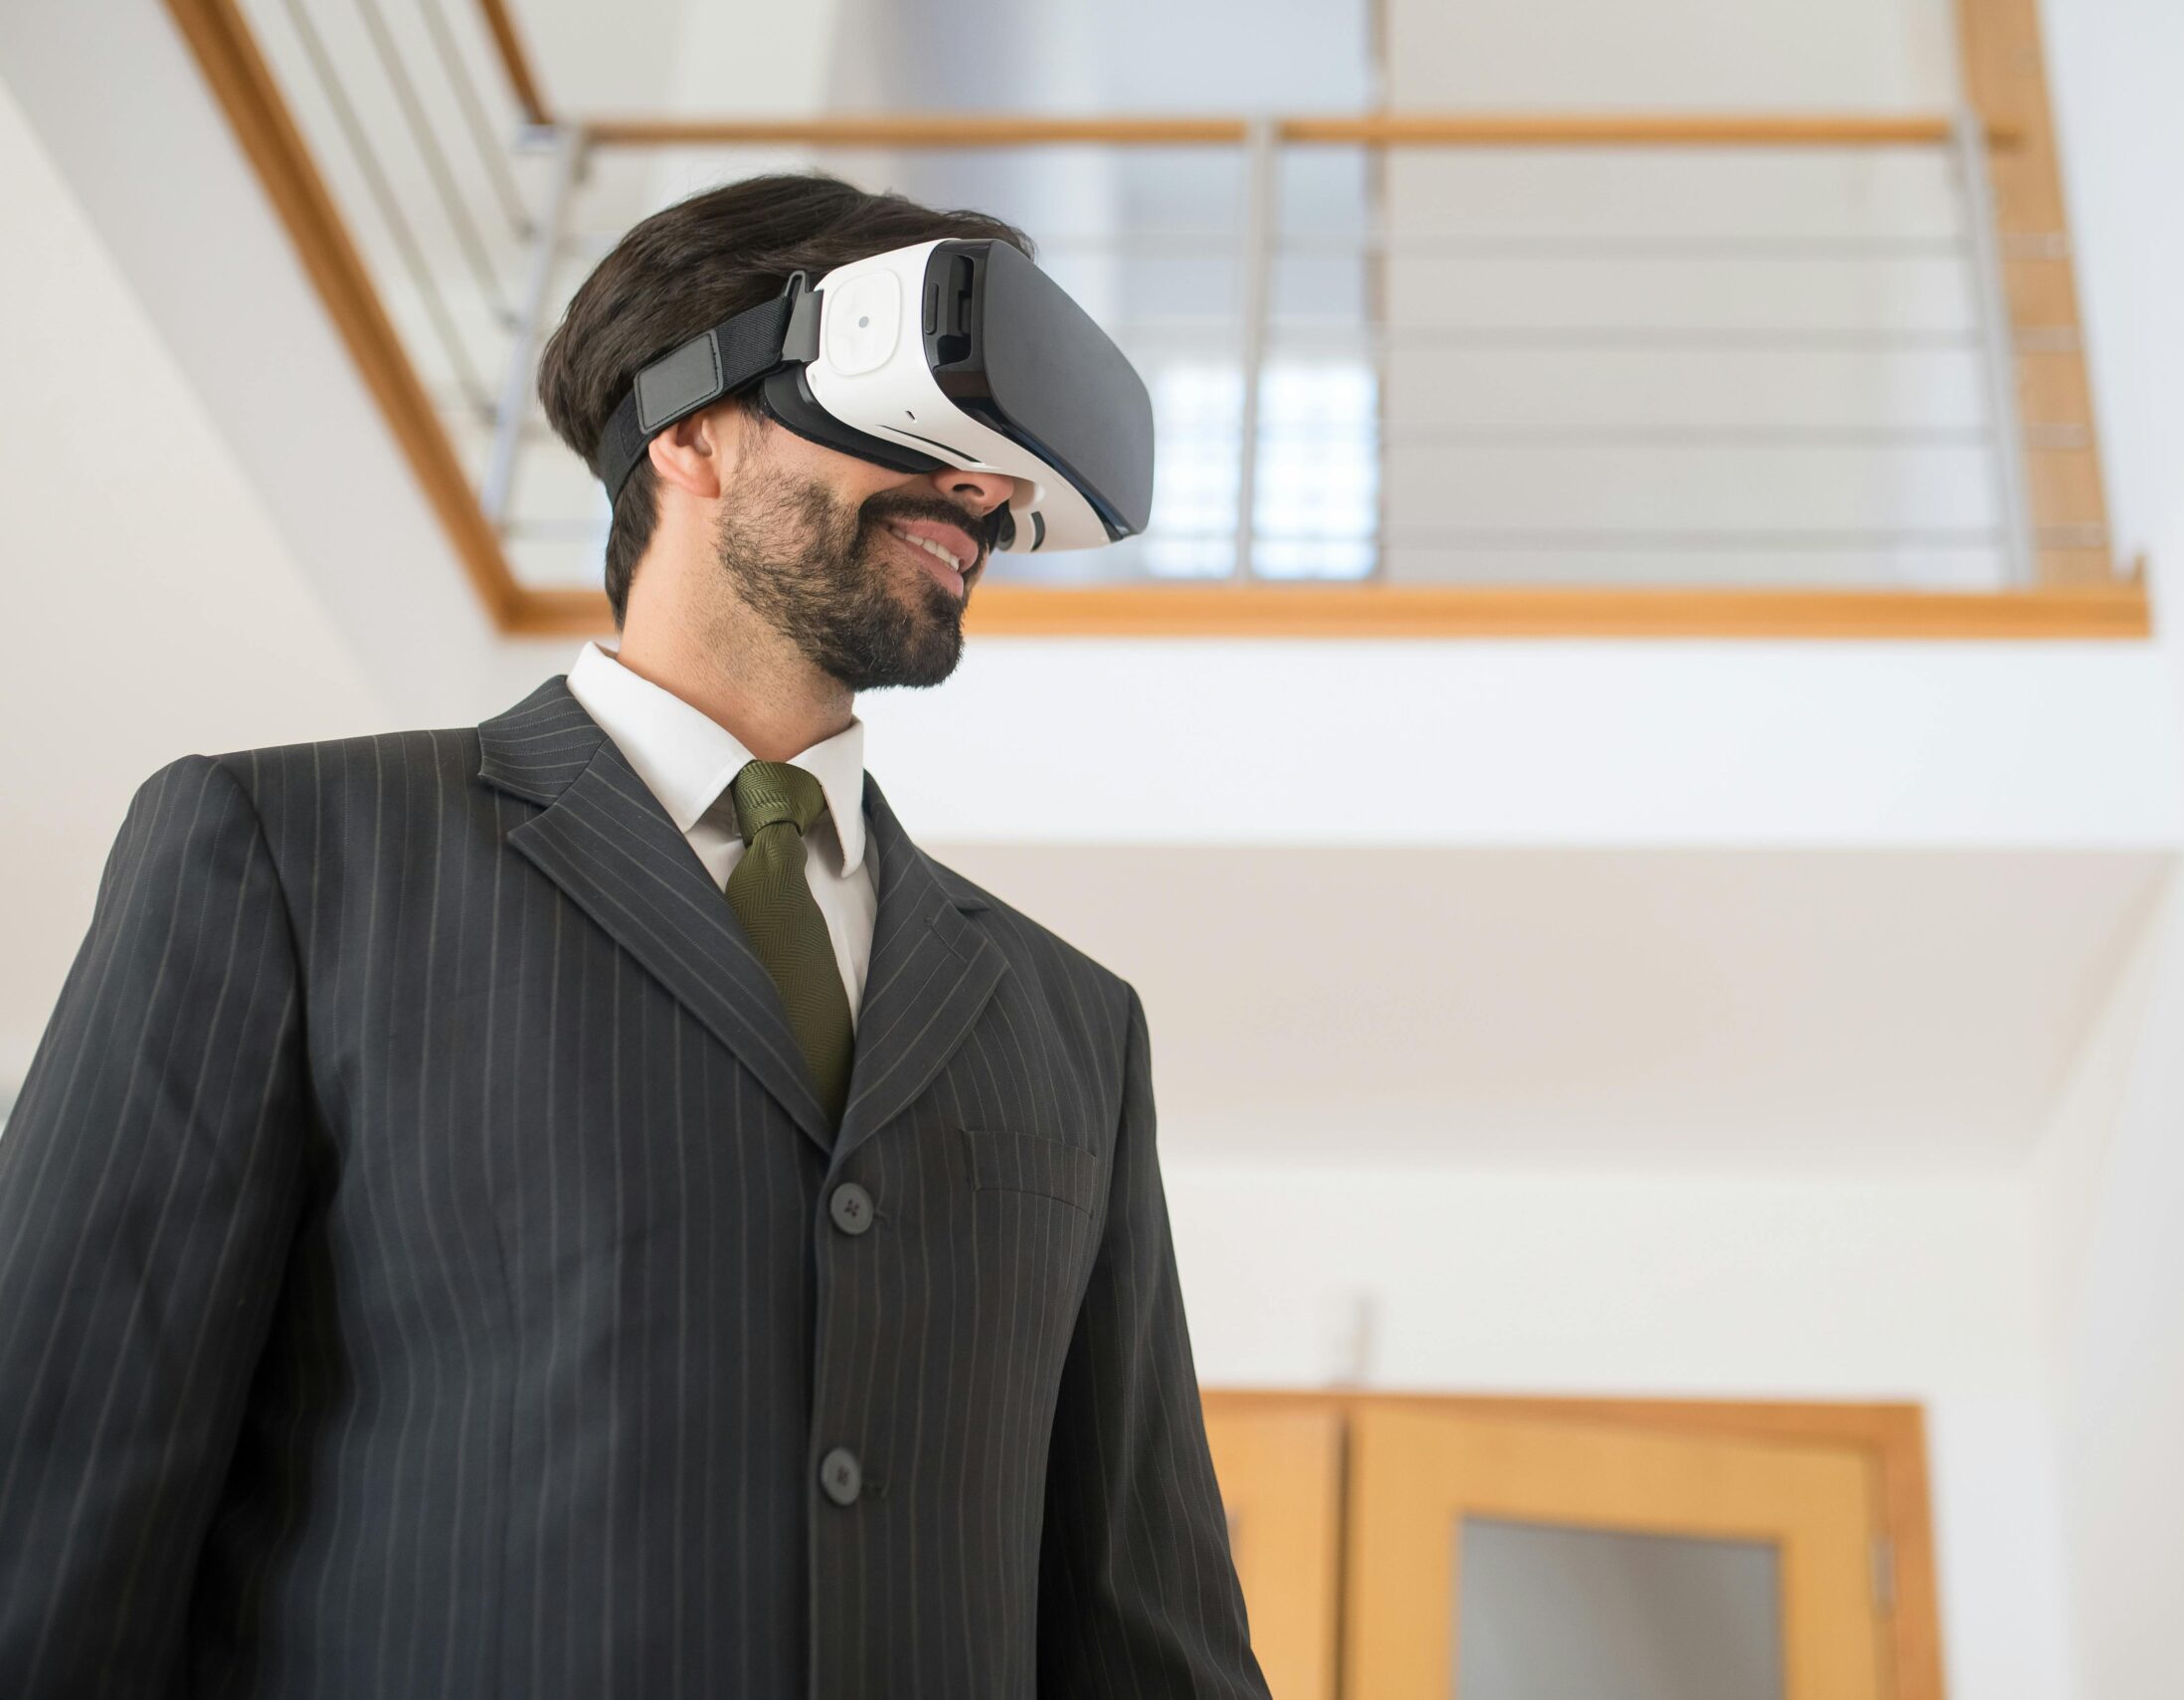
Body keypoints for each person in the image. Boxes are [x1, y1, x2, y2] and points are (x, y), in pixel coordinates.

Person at [0, 173, 1270, 1699]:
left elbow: (1148, 1628)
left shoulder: (1075, 1026)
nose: (985, 498)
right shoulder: (288, 860)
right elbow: (50, 1524)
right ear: (690, 429)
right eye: (931, 430)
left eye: (1005, 468)